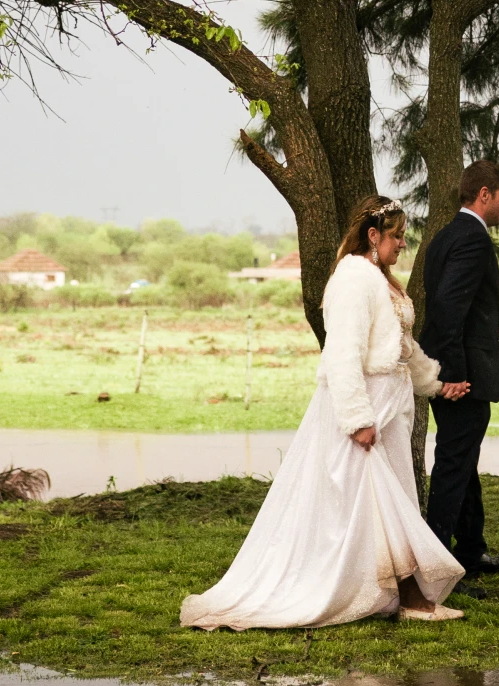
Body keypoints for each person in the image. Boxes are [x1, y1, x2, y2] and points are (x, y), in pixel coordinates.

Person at [180, 197, 468, 631]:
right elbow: (343, 354)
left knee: (390, 501)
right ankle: (410, 598)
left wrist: (435, 383)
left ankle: (398, 592)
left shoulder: (381, 280)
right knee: (375, 501)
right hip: (365, 406)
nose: (403, 244)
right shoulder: (354, 279)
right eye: (397, 236)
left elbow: (401, 348)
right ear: (373, 236)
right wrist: (357, 418)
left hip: (392, 407)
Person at [419, 158, 499, 576]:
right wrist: (454, 375)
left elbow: (457, 305)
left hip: (454, 366)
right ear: (484, 194)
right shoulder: (473, 239)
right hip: (463, 375)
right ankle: (437, 566)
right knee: (454, 465)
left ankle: (470, 549)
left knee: (462, 458)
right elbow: (447, 308)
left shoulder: (443, 237)